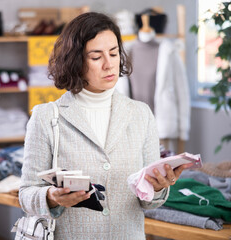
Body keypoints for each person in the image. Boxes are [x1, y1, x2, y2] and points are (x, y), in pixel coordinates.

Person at [19, 12, 192, 239]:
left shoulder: (141, 114)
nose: (109, 64)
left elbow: (148, 203)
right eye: (96, 56)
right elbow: (26, 195)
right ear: (76, 60)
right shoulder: (46, 117)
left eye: (113, 53)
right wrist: (51, 197)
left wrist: (159, 187)